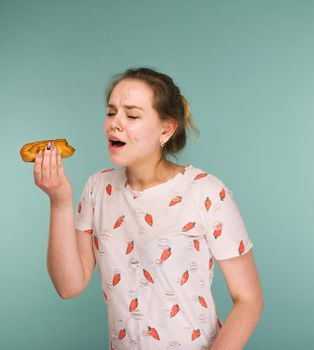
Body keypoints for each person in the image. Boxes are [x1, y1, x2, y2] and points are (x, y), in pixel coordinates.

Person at [34, 67, 264, 350]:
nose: (114, 124)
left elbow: (249, 301)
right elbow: (68, 286)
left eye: (131, 115)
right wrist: (59, 202)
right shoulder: (97, 188)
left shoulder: (206, 191)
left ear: (166, 129)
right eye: (111, 112)